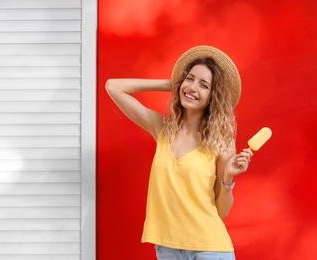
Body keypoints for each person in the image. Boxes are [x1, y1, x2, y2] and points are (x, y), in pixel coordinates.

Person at [106, 45, 253, 260]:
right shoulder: (161, 129)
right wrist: (172, 84)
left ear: (213, 97)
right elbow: (113, 87)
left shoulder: (220, 142)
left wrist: (228, 177)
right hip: (167, 248)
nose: (193, 87)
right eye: (190, 79)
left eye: (203, 85)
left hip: (209, 249)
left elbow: (222, 211)